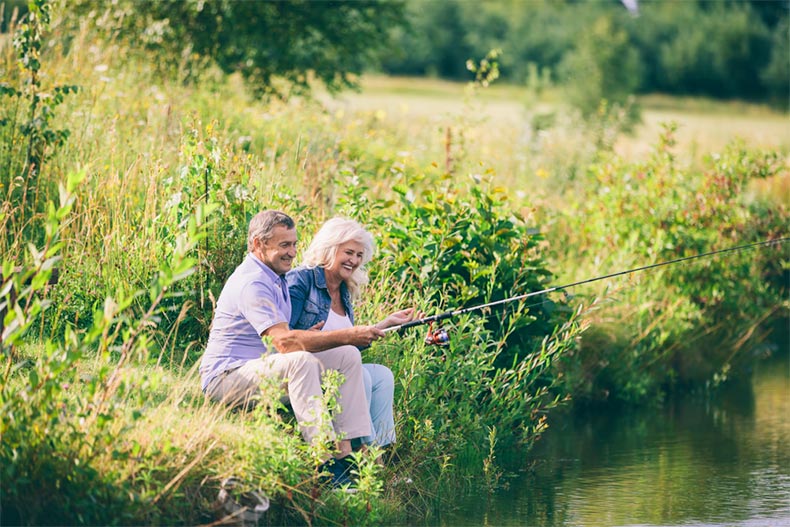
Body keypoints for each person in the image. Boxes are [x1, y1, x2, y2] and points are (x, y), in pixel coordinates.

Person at [199, 210, 386, 488]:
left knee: (347, 354)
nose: (292, 252)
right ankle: (323, 461)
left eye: (294, 244)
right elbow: (284, 342)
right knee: (302, 361)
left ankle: (348, 453)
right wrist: (346, 334)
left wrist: (318, 339)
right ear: (257, 244)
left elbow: (286, 338)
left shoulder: (277, 277)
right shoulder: (253, 282)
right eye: (284, 245)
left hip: (262, 368)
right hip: (227, 379)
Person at [286, 217, 418, 456]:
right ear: (329, 248)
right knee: (365, 379)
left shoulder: (344, 289)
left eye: (359, 255)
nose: (354, 261)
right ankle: (355, 453)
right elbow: (284, 337)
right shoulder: (302, 279)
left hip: (339, 366)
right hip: (307, 369)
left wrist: (385, 324)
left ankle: (379, 453)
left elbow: (348, 346)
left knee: (382, 376)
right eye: (348, 252)